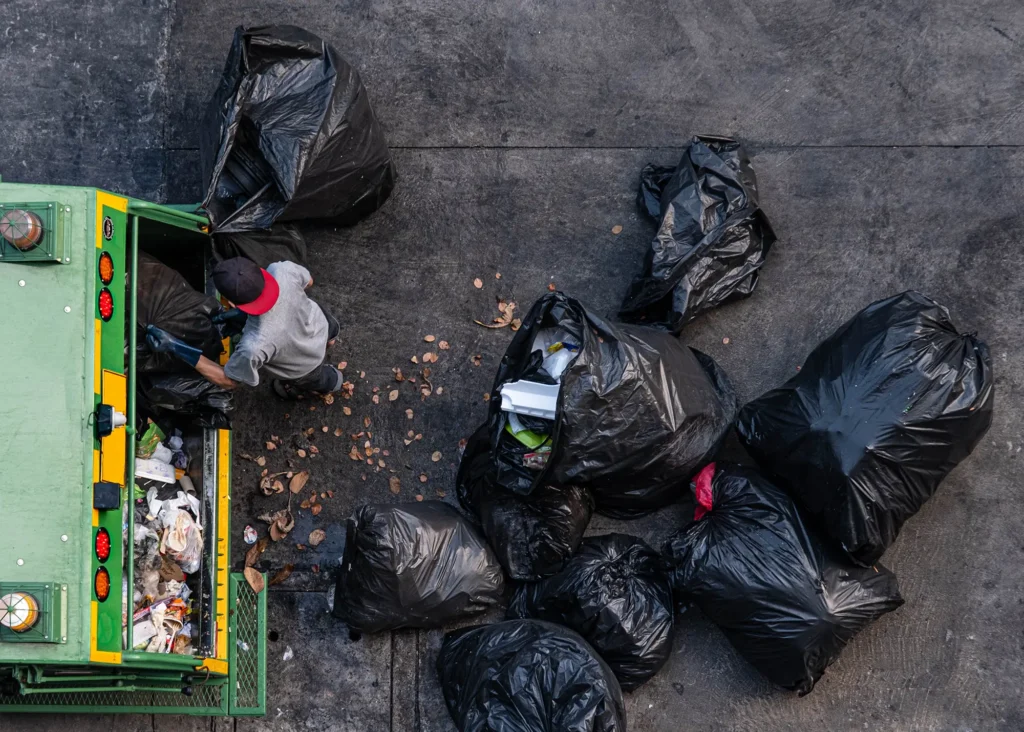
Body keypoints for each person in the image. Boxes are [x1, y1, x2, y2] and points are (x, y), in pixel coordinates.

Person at [146, 257, 342, 399]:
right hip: (320, 322)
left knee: (318, 379)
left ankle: (334, 382)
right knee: (330, 331)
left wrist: (178, 348)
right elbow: (309, 281)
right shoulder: (281, 270)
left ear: (231, 303)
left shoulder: (254, 345)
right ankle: (331, 341)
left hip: (304, 365)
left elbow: (229, 380)